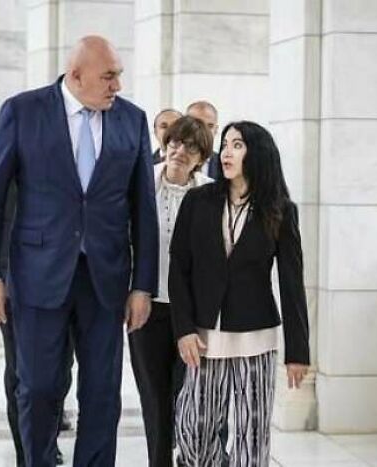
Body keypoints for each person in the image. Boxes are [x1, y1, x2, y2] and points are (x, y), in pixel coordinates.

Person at [0, 35, 158, 466]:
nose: (117, 86)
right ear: (75, 75)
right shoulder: (22, 111)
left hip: (106, 281)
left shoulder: (132, 120)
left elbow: (143, 210)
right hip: (36, 276)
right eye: (108, 76)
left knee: (102, 392)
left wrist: (143, 285)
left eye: (119, 76)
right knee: (36, 387)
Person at [169, 121, 310, 466]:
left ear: (256, 153)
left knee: (251, 434)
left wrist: (298, 351)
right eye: (226, 144)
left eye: (238, 145)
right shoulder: (199, 200)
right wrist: (184, 329)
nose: (227, 152)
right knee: (194, 433)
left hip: (256, 337)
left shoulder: (280, 209)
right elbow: (179, 269)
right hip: (203, 336)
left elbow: (292, 282)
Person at [128, 116, 213, 467]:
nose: (180, 151)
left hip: (189, 317)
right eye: (175, 143)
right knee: (154, 400)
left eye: (190, 147)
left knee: (187, 399)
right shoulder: (142, 184)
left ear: (201, 157)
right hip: (145, 307)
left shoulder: (209, 193)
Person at [0, 182, 71, 465]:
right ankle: (25, 452)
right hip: (12, 283)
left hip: (64, 280)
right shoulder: (12, 154)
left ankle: (44, 441)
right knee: (20, 373)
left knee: (60, 372)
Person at [185, 100, 222, 179]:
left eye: (210, 126)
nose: (204, 131)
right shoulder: (165, 164)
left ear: (216, 130)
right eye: (197, 124)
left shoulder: (225, 164)